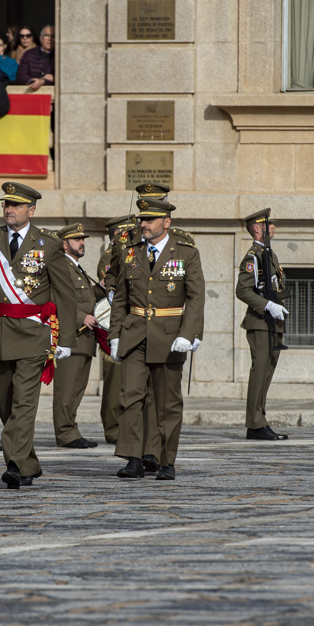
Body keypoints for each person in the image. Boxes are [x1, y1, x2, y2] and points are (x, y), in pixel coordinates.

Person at [0, 182, 77, 488]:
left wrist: (66, 340)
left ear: (31, 210)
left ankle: (13, 464)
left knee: (24, 403)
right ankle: (28, 463)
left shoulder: (49, 243)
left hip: (31, 335)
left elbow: (66, 296)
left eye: (16, 205)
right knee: (5, 404)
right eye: (6, 205)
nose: (8, 210)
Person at [108, 197, 204, 481]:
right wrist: (115, 335)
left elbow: (196, 297)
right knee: (130, 398)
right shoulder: (130, 252)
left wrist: (190, 334)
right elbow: (121, 299)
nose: (143, 224)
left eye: (149, 219)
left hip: (169, 335)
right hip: (135, 333)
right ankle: (133, 457)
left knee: (167, 403)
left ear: (167, 222)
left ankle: (166, 460)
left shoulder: (186, 253)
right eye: (142, 219)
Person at [235, 208, 291, 441]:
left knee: (267, 371)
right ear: (257, 229)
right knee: (260, 371)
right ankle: (254, 424)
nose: (274, 228)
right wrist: (267, 306)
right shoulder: (253, 256)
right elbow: (242, 290)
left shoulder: (269, 254)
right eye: (269, 225)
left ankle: (261, 419)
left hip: (272, 322)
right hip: (259, 322)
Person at [52, 223, 103, 449]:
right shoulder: (61, 266)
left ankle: (71, 428)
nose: (82, 243)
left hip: (84, 338)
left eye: (83, 239)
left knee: (77, 387)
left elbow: (83, 297)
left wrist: (100, 288)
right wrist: (81, 316)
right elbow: (55, 299)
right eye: (77, 239)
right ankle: (65, 432)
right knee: (67, 387)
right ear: (65, 244)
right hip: (71, 335)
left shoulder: (76, 267)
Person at [96, 214, 135, 444]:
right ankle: (112, 428)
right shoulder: (109, 257)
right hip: (114, 327)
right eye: (126, 233)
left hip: (131, 325)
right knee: (114, 383)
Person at [16, 25, 54, 90]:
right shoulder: (29, 54)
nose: (50, 39)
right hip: (31, 94)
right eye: (47, 35)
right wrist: (36, 81)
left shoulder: (60, 56)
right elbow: (21, 76)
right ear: (41, 38)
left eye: (53, 36)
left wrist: (43, 82)